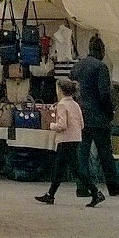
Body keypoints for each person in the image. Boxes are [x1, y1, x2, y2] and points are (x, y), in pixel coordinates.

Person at [70, 35, 119, 197]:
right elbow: (104, 94)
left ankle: (82, 188)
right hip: (98, 118)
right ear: (101, 50)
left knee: (82, 154)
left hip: (80, 117)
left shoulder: (77, 67)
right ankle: (114, 187)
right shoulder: (101, 67)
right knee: (105, 154)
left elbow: (71, 92)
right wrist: (110, 111)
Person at [35, 78, 100, 207]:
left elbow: (62, 125)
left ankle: (95, 192)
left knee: (74, 169)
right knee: (60, 168)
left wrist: (51, 125)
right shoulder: (75, 104)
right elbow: (81, 124)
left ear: (60, 90)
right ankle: (50, 194)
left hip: (65, 139)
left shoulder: (62, 105)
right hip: (75, 138)